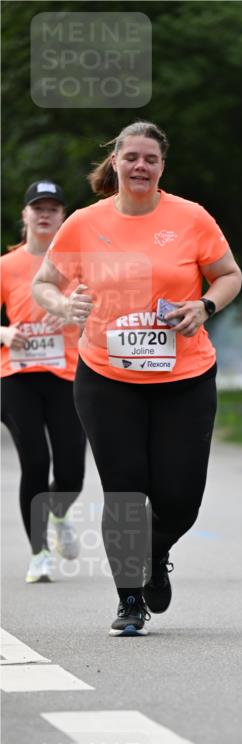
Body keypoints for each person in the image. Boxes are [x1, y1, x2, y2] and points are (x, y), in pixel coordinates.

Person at [33, 121, 242, 636]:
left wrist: (204, 304)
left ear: (162, 166)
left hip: (185, 376)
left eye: (150, 158)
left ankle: (155, 552)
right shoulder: (84, 223)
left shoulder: (190, 218)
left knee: (180, 498)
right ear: (117, 163)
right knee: (125, 491)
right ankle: (129, 599)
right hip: (107, 378)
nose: (140, 166)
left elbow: (229, 274)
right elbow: (45, 284)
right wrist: (65, 304)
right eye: (131, 158)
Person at [0, 181, 85, 583]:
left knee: (70, 472)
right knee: (35, 462)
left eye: (53, 207)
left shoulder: (77, 263)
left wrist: (69, 311)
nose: (45, 214)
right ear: (25, 215)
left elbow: (102, 307)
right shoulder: (7, 265)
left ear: (63, 216)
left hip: (68, 374)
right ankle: (39, 554)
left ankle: (60, 511)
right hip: (17, 376)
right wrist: (4, 334)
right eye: (38, 207)